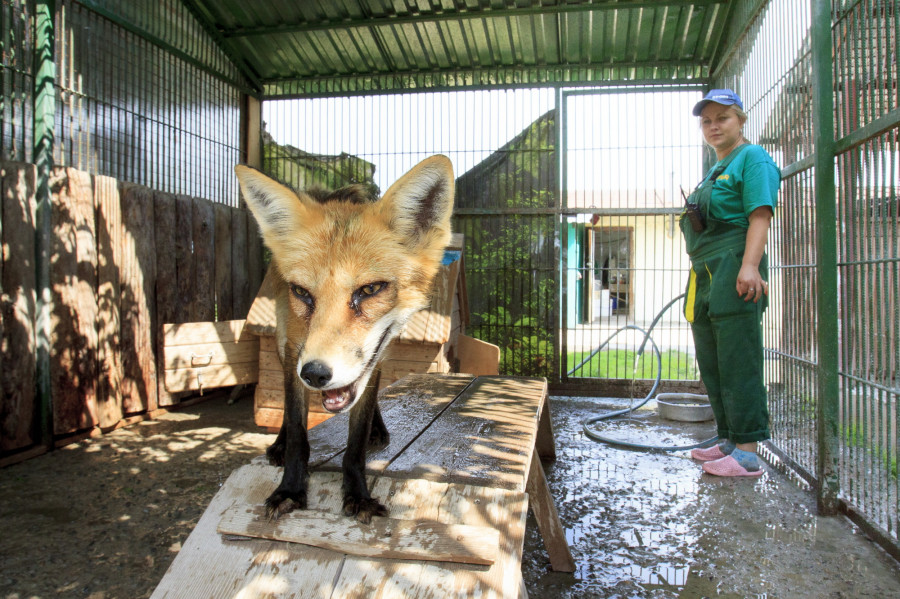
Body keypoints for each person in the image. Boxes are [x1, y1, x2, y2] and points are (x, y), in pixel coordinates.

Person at [680, 89, 780, 477]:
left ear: (741, 121)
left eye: (722, 118)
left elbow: (760, 215)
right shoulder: (714, 169)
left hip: (736, 264)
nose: (713, 126)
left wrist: (750, 266)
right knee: (713, 359)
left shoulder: (752, 158)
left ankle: (747, 450)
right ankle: (727, 438)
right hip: (705, 272)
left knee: (738, 358)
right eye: (707, 121)